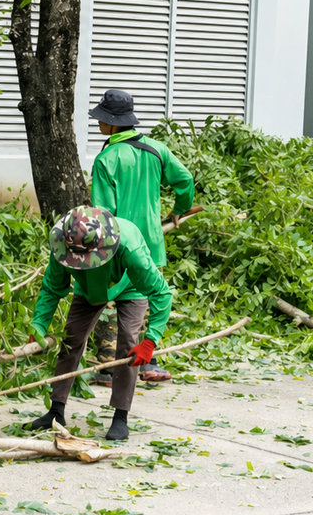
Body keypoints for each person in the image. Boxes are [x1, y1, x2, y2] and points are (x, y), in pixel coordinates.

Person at [27, 206, 173, 441]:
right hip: (89, 288)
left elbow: (161, 293)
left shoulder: (129, 248)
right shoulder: (62, 244)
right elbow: (52, 288)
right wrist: (39, 325)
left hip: (130, 286)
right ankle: (56, 410)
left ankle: (120, 417)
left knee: (127, 344)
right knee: (70, 338)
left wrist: (151, 340)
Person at [86, 89, 195, 387]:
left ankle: (109, 368)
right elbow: (184, 180)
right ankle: (149, 361)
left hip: (120, 246)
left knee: (111, 300)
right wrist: (179, 209)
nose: (98, 124)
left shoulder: (106, 159)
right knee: (143, 299)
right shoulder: (157, 150)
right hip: (151, 243)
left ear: (112, 123)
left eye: (101, 120)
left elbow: (104, 214)